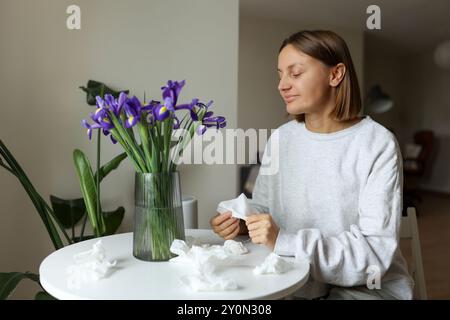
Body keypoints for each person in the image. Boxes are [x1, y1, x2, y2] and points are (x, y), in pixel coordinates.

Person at [210, 30, 414, 300]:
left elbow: (374, 253)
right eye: (280, 74)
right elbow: (264, 207)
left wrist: (284, 240)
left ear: (335, 74)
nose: (282, 85)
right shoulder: (281, 138)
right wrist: (242, 222)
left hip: (366, 290)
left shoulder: (377, 143)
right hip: (293, 283)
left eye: (295, 73)